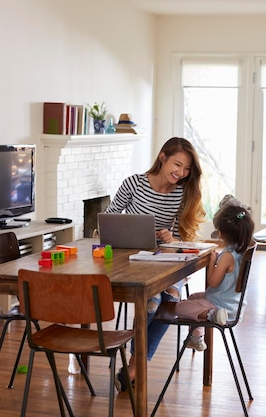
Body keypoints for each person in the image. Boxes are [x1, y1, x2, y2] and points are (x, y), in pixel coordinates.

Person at [105, 137, 205, 391]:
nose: (181, 173)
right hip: (134, 259)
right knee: (154, 302)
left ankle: (135, 365)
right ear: (162, 157)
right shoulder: (134, 184)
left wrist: (173, 238)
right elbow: (109, 219)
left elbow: (185, 236)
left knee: (167, 299)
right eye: (177, 164)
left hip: (168, 259)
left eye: (186, 169)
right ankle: (136, 364)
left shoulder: (184, 192)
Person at [174, 204, 254, 351]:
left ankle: (212, 315)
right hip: (234, 304)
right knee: (192, 297)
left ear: (221, 233)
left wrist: (212, 263)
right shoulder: (243, 251)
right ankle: (196, 338)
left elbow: (213, 282)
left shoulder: (227, 256)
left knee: (180, 307)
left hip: (220, 305)